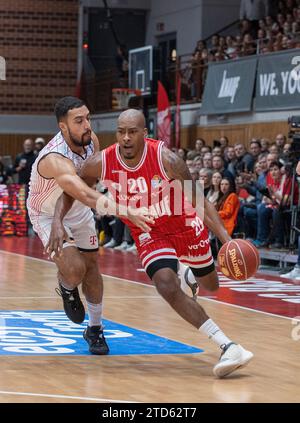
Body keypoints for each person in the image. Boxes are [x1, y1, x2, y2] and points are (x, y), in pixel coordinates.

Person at [48, 109, 253, 378]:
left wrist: (226, 241)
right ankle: (228, 345)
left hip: (184, 225)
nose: (126, 138)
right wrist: (56, 220)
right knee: (165, 284)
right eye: (121, 131)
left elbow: (199, 200)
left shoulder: (167, 159)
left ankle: (188, 273)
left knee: (211, 286)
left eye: (132, 132)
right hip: (148, 232)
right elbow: (72, 190)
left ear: (145, 134)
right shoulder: (101, 162)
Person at [27, 97, 153, 355]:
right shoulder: (54, 158)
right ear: (63, 127)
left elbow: (89, 184)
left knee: (92, 265)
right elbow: (83, 192)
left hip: (78, 209)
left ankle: (95, 328)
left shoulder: (91, 141)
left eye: (87, 118)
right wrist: (125, 210)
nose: (87, 125)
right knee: (74, 270)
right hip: (48, 214)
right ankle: (67, 286)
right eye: (79, 121)